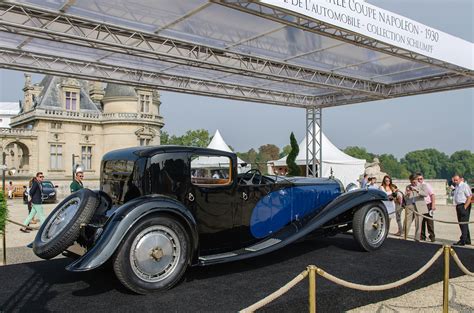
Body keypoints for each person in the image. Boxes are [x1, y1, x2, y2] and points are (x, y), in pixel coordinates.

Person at [404, 173, 429, 242]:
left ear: (417, 180)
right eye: (411, 182)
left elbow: (426, 194)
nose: (412, 183)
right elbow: (405, 198)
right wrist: (407, 194)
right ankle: (405, 236)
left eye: (414, 182)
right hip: (410, 205)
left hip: (419, 206)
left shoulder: (423, 186)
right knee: (407, 222)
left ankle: (417, 238)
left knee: (418, 223)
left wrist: (417, 190)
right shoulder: (408, 186)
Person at [452, 174, 472, 246]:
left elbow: (469, 196)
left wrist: (465, 207)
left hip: (464, 205)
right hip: (458, 205)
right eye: (454, 180)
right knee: (462, 223)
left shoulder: (464, 186)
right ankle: (467, 239)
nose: (455, 181)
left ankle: (463, 240)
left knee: (463, 223)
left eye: (456, 180)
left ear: (460, 179)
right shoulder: (457, 186)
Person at [417, 173, 436, 242]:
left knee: (429, 222)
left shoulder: (427, 185)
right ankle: (422, 236)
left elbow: (432, 195)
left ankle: (432, 236)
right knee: (421, 222)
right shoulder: (417, 186)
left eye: (421, 179)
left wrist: (433, 205)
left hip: (428, 204)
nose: (419, 180)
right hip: (420, 205)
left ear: (423, 179)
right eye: (418, 179)